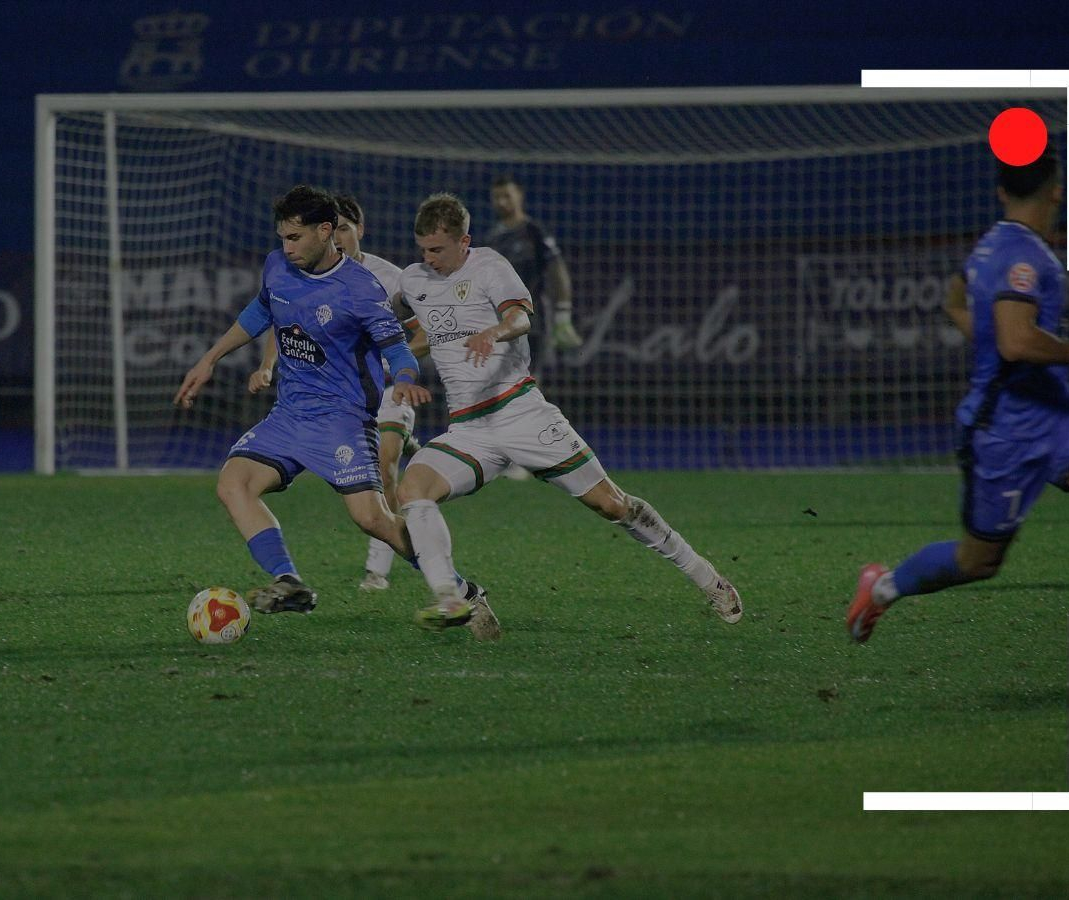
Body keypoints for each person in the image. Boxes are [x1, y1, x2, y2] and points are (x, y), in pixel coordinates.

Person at [845, 151, 1069, 694]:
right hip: (1003, 434)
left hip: (1053, 419)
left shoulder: (992, 244)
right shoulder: (1023, 258)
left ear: (1000, 191)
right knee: (978, 561)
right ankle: (883, 589)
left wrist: (992, 343)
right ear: (1057, 192)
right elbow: (1015, 341)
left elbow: (956, 302)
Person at [392, 193, 744, 637]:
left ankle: (704, 574)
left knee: (613, 504)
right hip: (468, 429)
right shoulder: (415, 278)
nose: (428, 259)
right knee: (413, 489)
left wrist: (494, 332)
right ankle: (455, 597)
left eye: (437, 250)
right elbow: (416, 328)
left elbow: (520, 318)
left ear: (464, 240)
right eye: (422, 249)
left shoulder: (490, 267)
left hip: (521, 414)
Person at [175, 185, 436, 614]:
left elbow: (399, 348)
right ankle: (288, 580)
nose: (286, 247)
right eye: (282, 237)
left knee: (373, 519)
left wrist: (406, 377)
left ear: (325, 231)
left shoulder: (361, 288)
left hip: (343, 419)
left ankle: (456, 588)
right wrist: (209, 360)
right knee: (233, 483)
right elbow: (259, 313)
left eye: (295, 238)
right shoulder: (277, 266)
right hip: (289, 415)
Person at [250, 193, 424, 592]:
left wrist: (390, 366)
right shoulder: (301, 272)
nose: (341, 237)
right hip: (327, 399)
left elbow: (416, 335)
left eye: (347, 228)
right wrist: (267, 364)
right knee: (371, 500)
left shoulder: (388, 280)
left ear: (357, 230)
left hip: (381, 392)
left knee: (383, 468)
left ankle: (379, 570)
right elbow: (284, 321)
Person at [480, 174, 581, 352]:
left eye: (507, 196)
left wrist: (563, 314)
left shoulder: (534, 232)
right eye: (497, 197)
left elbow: (557, 270)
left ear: (519, 195)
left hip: (533, 320)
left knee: (529, 377)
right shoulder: (492, 239)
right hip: (499, 322)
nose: (501, 202)